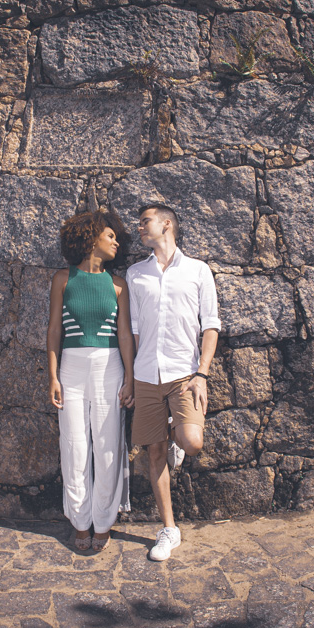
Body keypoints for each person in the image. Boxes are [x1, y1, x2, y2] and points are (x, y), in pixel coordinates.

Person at [126, 204, 220, 562]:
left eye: (145, 222)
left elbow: (210, 325)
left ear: (167, 224)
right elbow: (134, 330)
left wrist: (202, 373)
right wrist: (132, 378)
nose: (139, 228)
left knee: (192, 443)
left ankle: (176, 432)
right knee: (154, 452)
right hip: (147, 375)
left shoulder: (198, 270)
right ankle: (169, 529)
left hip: (184, 374)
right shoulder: (136, 274)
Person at [47, 211, 134, 552]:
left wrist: (130, 378)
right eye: (110, 236)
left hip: (109, 367)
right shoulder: (62, 279)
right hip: (71, 368)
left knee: (108, 447)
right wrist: (53, 376)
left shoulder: (118, 284)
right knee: (74, 447)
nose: (116, 242)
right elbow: (54, 330)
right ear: (91, 237)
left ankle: (104, 521)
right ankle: (80, 522)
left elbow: (124, 335)